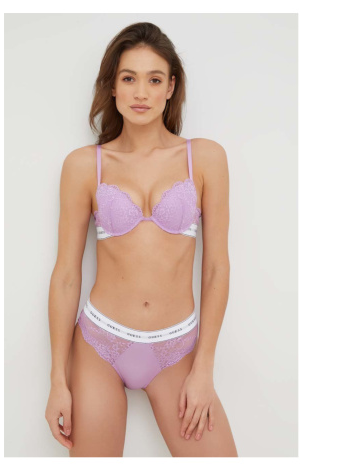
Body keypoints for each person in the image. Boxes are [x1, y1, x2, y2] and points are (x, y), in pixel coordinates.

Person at [45, 21, 238, 457]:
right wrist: (57, 379)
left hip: (177, 348)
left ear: (171, 87)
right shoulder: (84, 166)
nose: (141, 93)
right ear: (112, 86)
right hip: (100, 343)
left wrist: (204, 367)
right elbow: (66, 276)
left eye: (154, 80)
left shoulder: (205, 158)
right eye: (129, 78)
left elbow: (216, 268)